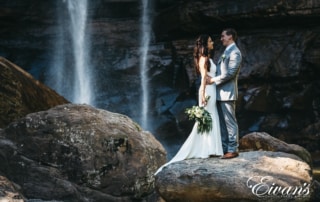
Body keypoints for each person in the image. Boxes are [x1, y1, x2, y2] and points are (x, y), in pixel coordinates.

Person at [155, 34, 223, 175]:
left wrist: (215, 80)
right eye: (210, 41)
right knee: (206, 119)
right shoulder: (204, 59)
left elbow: (209, 78)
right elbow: (204, 78)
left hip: (211, 89)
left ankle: (212, 149)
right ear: (204, 44)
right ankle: (205, 149)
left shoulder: (207, 58)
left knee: (211, 118)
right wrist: (203, 95)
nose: (212, 43)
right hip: (207, 92)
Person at [207, 28, 242, 159]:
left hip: (227, 92)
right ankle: (225, 148)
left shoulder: (235, 52)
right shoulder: (227, 51)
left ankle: (233, 149)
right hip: (220, 93)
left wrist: (213, 80)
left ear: (230, 37)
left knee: (230, 121)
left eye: (223, 36)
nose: (221, 39)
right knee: (222, 122)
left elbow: (230, 73)